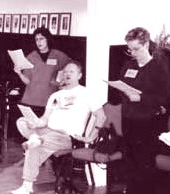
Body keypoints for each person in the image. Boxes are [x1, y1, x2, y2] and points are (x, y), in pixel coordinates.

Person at [11, 61, 106, 194]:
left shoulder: (87, 93)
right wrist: (35, 123)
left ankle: (27, 186)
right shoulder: (55, 95)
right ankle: (36, 138)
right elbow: (44, 119)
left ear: (79, 75)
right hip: (46, 131)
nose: (67, 74)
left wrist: (91, 137)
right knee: (22, 121)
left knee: (35, 146)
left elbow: (101, 116)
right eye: (65, 71)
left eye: (71, 71)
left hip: (66, 136)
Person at [118, 27, 170, 194]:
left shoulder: (158, 67)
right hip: (128, 121)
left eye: (136, 49)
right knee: (130, 164)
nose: (133, 53)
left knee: (144, 167)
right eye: (130, 49)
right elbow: (122, 88)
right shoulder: (128, 65)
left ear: (147, 44)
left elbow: (166, 97)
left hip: (147, 124)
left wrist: (142, 98)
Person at [14, 27, 71, 123]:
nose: (39, 42)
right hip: (30, 101)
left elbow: (72, 69)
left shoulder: (58, 55)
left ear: (48, 39)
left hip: (49, 102)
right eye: (36, 39)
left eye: (41, 39)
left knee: (46, 133)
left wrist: (61, 82)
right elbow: (27, 81)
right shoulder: (31, 57)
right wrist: (19, 73)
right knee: (31, 131)